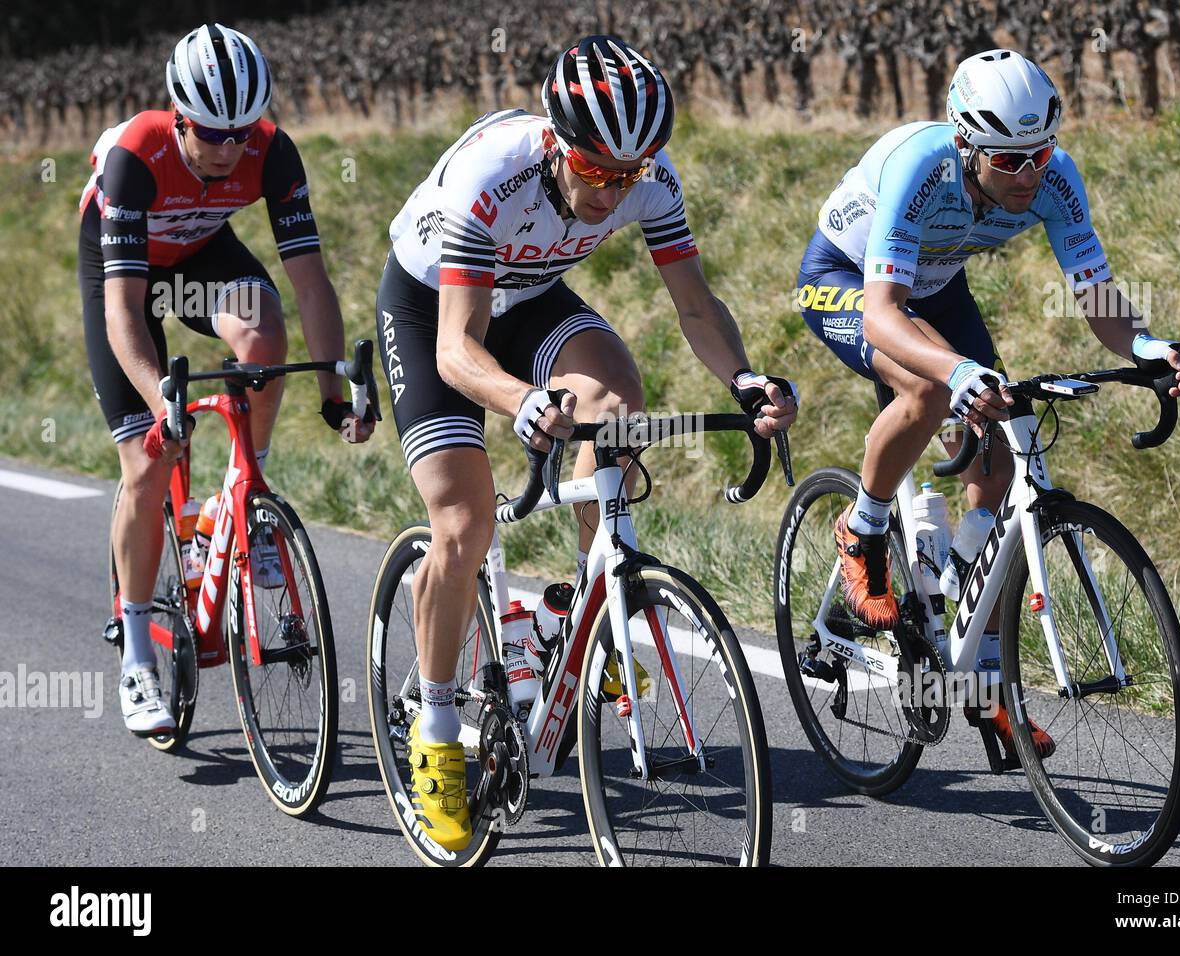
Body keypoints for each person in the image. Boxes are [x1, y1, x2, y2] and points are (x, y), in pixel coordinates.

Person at [377, 35, 798, 850]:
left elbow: (696, 307)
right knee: (464, 522)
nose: (614, 191)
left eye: (630, 175)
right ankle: (433, 729)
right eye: (598, 172)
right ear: (557, 146)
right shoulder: (490, 182)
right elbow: (459, 352)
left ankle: (578, 610)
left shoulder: (647, 175)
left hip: (529, 293)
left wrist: (745, 382)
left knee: (616, 403)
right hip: (434, 308)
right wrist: (523, 401)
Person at [797, 49, 1180, 760]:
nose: (1029, 175)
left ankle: (972, 658)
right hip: (850, 279)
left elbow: (1095, 292)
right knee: (925, 389)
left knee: (1006, 436)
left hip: (937, 281)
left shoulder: (1055, 178)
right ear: (964, 144)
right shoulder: (923, 166)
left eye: (1038, 154)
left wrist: (1146, 347)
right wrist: (955, 373)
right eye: (1007, 161)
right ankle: (862, 530)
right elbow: (886, 316)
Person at [79, 23, 373, 737]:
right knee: (150, 459)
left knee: (264, 337)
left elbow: (310, 282)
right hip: (126, 275)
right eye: (212, 133)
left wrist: (336, 392)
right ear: (180, 119)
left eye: (241, 132)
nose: (228, 148)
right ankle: (139, 646)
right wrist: (161, 402)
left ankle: (250, 494)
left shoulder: (270, 152)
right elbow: (124, 314)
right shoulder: (134, 157)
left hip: (205, 255)